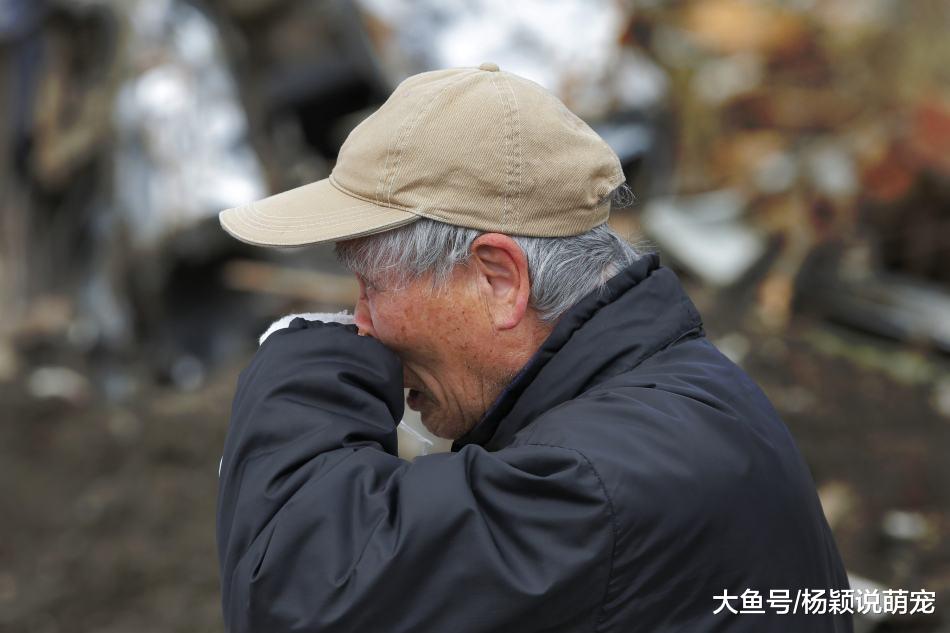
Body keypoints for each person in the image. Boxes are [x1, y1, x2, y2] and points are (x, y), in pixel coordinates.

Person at [216, 63, 852, 632]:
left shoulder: (594, 482)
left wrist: (305, 364)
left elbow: (296, 594)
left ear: (499, 280)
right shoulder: (668, 401)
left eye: (371, 286)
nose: (360, 324)